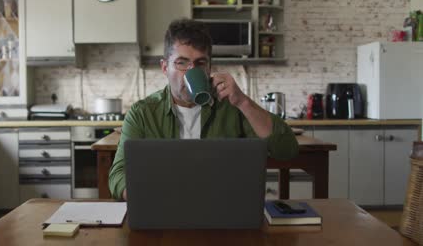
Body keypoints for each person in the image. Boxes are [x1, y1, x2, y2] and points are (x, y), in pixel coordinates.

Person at [109, 18, 298, 200]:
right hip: (164, 212)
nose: (191, 71)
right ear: (165, 67)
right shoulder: (143, 113)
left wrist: (243, 102)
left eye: (200, 63)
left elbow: (286, 150)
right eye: (182, 63)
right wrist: (149, 195)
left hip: (222, 209)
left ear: (209, 68)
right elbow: (118, 175)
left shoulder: (232, 107)